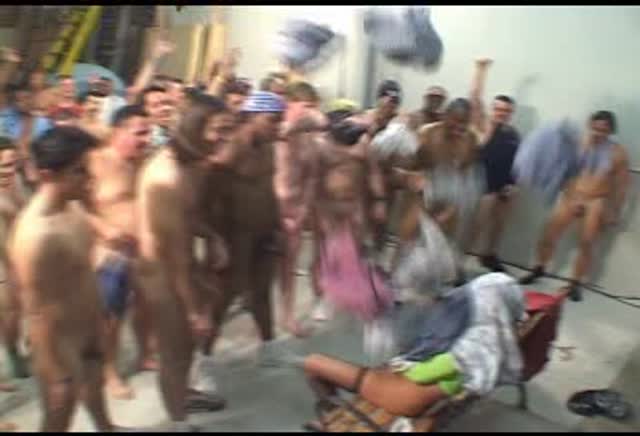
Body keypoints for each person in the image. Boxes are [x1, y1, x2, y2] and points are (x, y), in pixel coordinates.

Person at [302, 273, 526, 425]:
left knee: (313, 362)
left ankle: (335, 420)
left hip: (400, 397)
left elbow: (419, 375)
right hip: (414, 396)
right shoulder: (487, 349)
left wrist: (402, 366)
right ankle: (339, 416)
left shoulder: (465, 353)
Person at [9, 127, 118, 432]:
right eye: (79, 171)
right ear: (47, 175)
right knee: (59, 415)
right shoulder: (36, 236)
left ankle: (107, 428)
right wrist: (54, 372)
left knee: (95, 386)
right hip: (60, 342)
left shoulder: (72, 206)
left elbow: (81, 268)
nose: (89, 178)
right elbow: (35, 312)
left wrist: (99, 318)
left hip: (88, 324)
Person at [136, 94, 235, 431]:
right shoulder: (165, 178)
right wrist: (194, 311)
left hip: (183, 262)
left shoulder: (194, 162)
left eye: (229, 129)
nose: (225, 138)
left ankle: (183, 395)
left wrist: (212, 236)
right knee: (175, 352)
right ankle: (178, 423)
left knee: (189, 346)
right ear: (195, 127)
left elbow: (189, 217)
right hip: (162, 272)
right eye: (219, 130)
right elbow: (174, 255)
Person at [519, 111, 630, 301]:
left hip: (596, 200)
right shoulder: (579, 144)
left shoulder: (618, 153)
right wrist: (570, 194)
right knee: (549, 234)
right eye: (595, 128)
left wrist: (615, 210)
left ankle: (575, 282)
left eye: (603, 130)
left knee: (587, 242)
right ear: (590, 126)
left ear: (611, 131)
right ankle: (539, 267)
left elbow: (621, 185)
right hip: (572, 196)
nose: (598, 133)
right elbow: (563, 171)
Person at [84, 105, 155, 400]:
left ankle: (145, 354)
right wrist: (102, 227)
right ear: (118, 132)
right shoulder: (95, 161)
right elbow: (73, 203)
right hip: (109, 251)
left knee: (146, 305)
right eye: (140, 133)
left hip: (142, 249)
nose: (146, 139)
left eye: (148, 133)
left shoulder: (144, 163)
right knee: (111, 318)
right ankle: (109, 371)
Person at [310, 111, 388, 322]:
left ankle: (351, 291)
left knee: (355, 250)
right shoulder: (320, 146)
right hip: (326, 205)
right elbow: (312, 178)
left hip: (355, 205)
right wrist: (314, 207)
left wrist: (379, 200)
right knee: (325, 253)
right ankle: (323, 297)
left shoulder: (363, 144)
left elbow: (373, 172)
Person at [399, 98, 482, 285]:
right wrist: (417, 184)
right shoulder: (427, 133)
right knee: (409, 231)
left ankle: (447, 275)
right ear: (445, 117)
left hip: (454, 186)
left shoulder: (471, 138)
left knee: (449, 236)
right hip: (427, 181)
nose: (458, 129)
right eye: (455, 122)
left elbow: (465, 174)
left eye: (463, 124)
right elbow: (412, 165)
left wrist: (451, 208)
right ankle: (396, 276)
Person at [275, 81, 322, 336]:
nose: (311, 113)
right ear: (289, 104)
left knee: (289, 267)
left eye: (314, 107)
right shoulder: (276, 129)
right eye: (306, 106)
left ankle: (288, 315)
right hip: (268, 208)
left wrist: (303, 210)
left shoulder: (310, 141)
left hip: (294, 210)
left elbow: (312, 178)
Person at [466, 58, 521, 272]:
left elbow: (515, 162)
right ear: (493, 109)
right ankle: (460, 262)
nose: (502, 113)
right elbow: (475, 99)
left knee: (499, 225)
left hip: (503, 188)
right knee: (477, 225)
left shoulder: (513, 133)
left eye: (506, 111)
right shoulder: (484, 125)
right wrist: (481, 70)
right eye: (498, 109)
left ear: (511, 113)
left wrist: (512, 185)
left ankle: (488, 255)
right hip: (483, 186)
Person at [0, 137, 28, 382]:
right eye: (5, 166)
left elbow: (24, 211)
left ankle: (15, 351)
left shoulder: (15, 182)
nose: (10, 171)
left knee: (15, 311)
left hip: (14, 254)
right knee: (9, 311)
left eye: (13, 164)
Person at [138, 86, 174, 151]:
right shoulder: (146, 141)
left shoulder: (180, 132)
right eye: (156, 105)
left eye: (168, 103)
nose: (165, 108)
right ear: (143, 111)